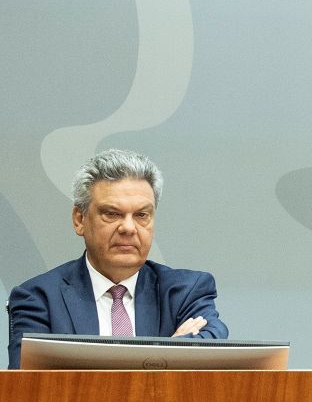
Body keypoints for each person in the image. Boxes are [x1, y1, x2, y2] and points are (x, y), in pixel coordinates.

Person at [7, 149, 227, 369]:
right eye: (112, 214)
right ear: (79, 220)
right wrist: (164, 355)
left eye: (141, 215)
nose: (129, 228)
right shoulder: (39, 298)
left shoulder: (184, 291)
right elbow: (28, 383)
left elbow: (212, 343)